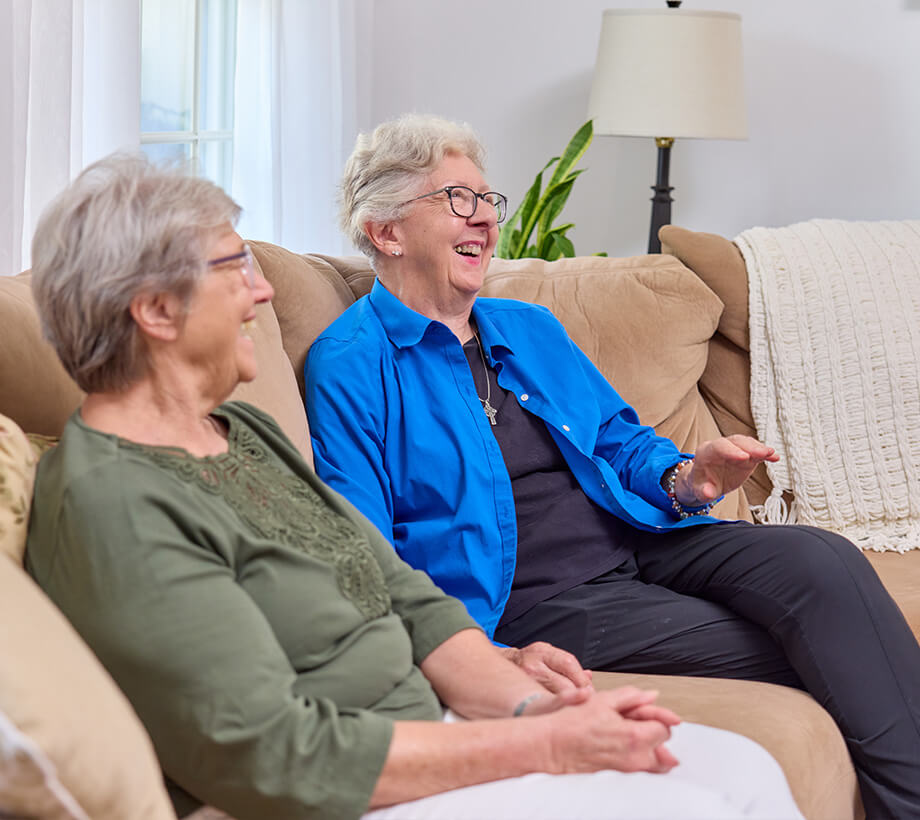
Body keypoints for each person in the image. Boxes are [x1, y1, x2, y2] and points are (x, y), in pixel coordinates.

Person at [22, 155, 803, 820]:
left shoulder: (239, 433)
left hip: (430, 720)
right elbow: (270, 755)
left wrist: (527, 702)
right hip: (357, 786)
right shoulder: (115, 501)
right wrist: (541, 742)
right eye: (236, 267)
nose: (262, 295)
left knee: (744, 771)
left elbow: (400, 589)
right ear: (157, 311)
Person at [304, 113, 920, 819]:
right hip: (539, 599)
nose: (483, 220)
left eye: (487, 200)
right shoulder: (352, 366)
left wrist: (687, 479)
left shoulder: (528, 328)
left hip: (641, 538)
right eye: (457, 200)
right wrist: (473, 652)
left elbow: (621, 441)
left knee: (825, 561)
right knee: (831, 640)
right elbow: (365, 548)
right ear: (385, 231)